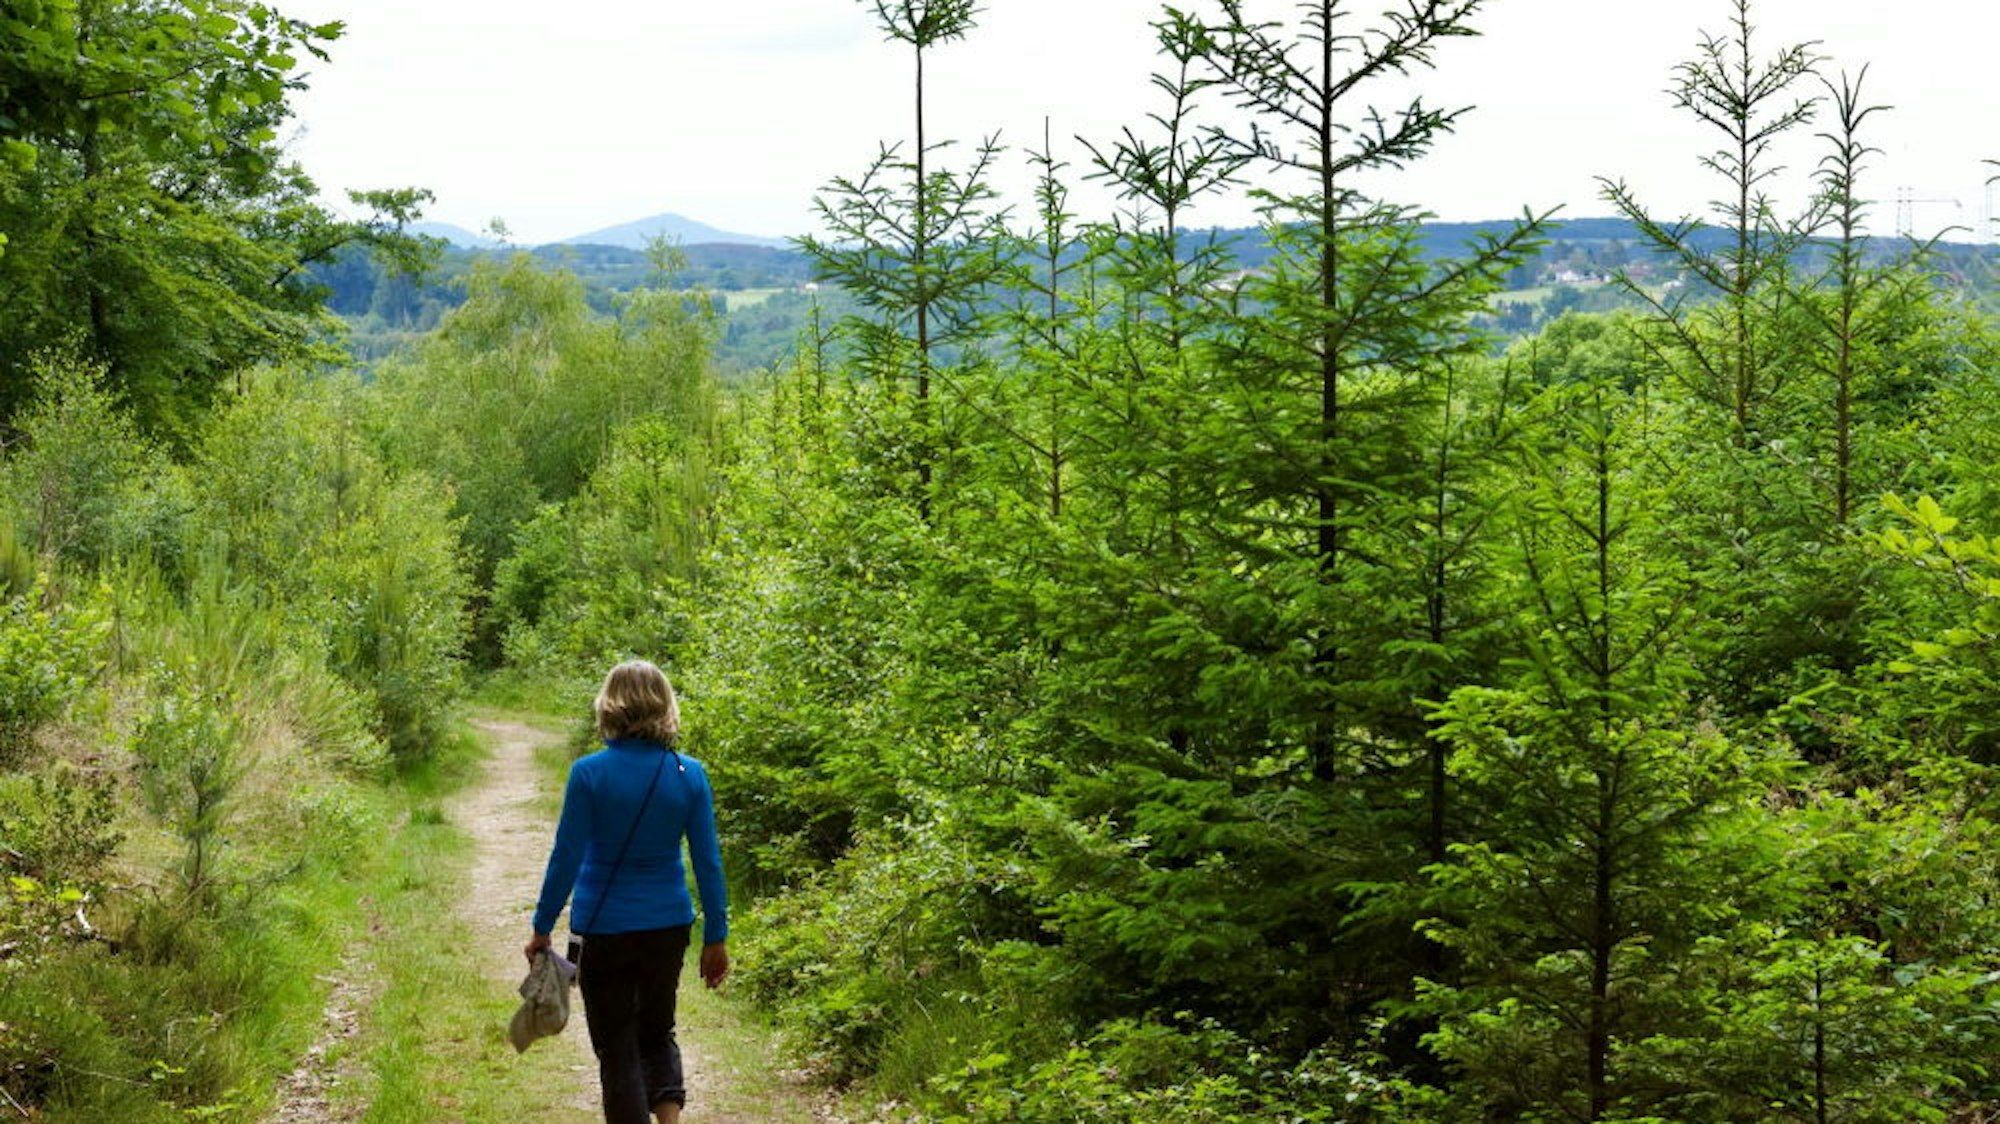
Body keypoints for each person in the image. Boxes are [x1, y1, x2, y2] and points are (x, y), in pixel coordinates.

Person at [525, 660, 729, 1124]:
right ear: (665, 706)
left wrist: (541, 927)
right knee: (658, 1032)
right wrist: (716, 935)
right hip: (668, 924)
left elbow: (566, 858)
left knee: (617, 1045)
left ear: (608, 705)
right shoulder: (689, 774)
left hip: (602, 927)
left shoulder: (589, 773)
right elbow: (708, 862)